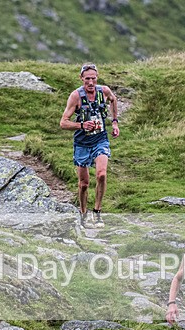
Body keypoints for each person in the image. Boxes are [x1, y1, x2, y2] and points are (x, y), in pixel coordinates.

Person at [60, 63, 119, 228]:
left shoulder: (104, 91)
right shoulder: (76, 96)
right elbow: (63, 123)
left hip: (100, 139)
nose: (91, 83)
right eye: (87, 79)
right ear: (81, 79)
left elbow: (113, 100)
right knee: (84, 184)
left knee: (101, 175)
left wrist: (114, 123)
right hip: (82, 144)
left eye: (93, 78)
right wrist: (81, 125)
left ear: (97, 78)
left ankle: (97, 212)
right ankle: (83, 213)